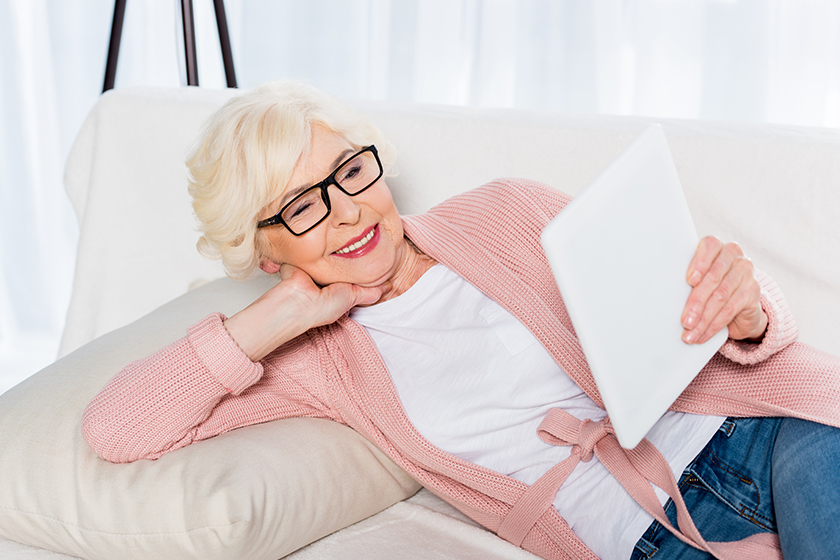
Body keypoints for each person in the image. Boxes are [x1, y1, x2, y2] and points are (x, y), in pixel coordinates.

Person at [82, 81, 840, 560]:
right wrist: (270, 319)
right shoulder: (311, 362)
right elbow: (115, 429)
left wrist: (745, 312)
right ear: (264, 251)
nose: (348, 210)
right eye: (302, 206)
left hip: (770, 430)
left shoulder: (503, 211)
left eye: (349, 172)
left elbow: (700, 303)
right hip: (646, 537)